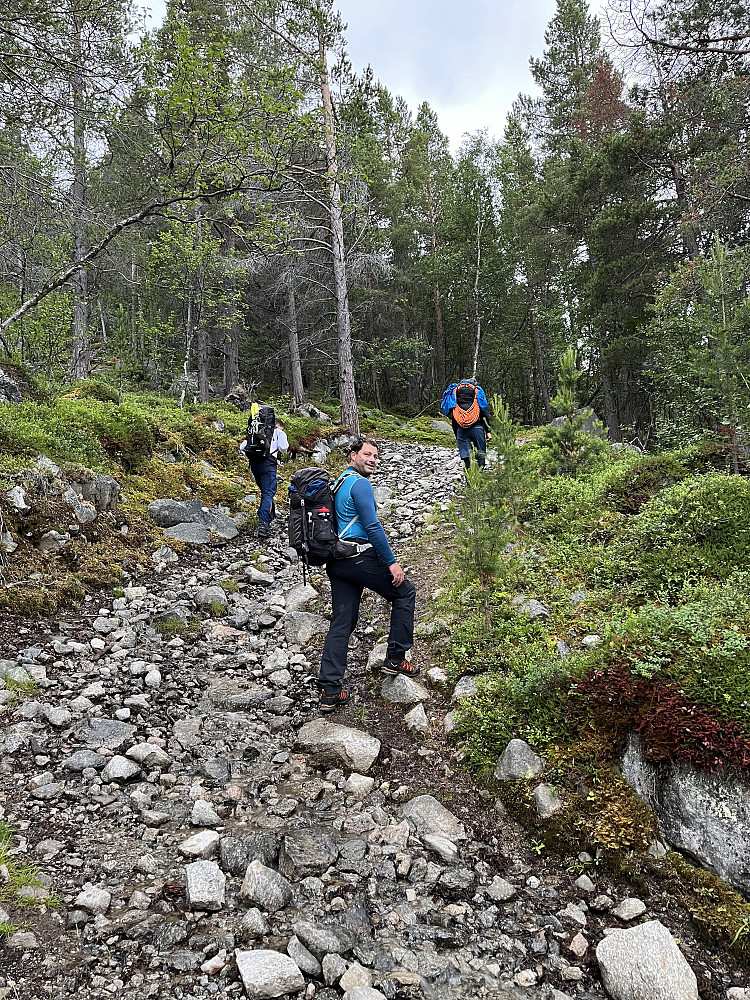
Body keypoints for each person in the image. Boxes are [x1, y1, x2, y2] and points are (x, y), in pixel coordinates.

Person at [317, 438, 418, 713]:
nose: (372, 459)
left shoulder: (339, 484)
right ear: (353, 456)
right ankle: (396, 657)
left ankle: (330, 690)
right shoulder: (360, 484)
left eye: (375, 455)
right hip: (360, 557)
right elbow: (372, 526)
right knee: (405, 593)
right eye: (367, 454)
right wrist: (392, 562)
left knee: (341, 623)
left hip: (337, 561)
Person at [240, 413, 288, 538]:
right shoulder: (278, 432)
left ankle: (269, 516)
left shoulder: (255, 430)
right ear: (278, 425)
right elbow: (283, 448)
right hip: (268, 465)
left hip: (255, 465)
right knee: (268, 493)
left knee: (265, 492)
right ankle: (263, 523)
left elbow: (242, 447)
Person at [442, 377, 491, 469]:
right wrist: (488, 431)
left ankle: (469, 480)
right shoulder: (477, 394)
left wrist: (457, 434)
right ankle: (480, 478)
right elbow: (484, 413)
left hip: (460, 428)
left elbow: (454, 418)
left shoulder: (455, 396)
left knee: (466, 456)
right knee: (481, 453)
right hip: (477, 428)